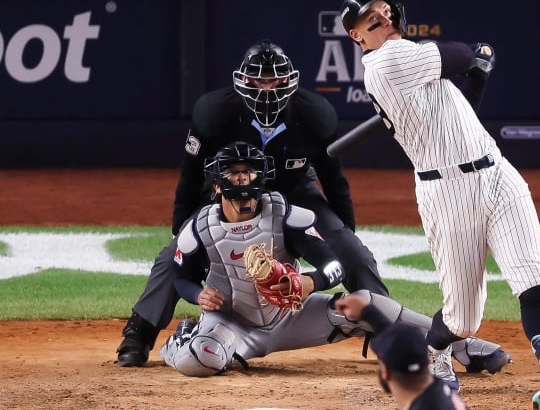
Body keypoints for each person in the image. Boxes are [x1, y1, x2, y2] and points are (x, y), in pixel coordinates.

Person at [117, 39, 511, 378]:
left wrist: (343, 231)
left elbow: (332, 177)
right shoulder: (213, 113)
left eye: (273, 80)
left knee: (350, 251)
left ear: (289, 82)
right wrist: (180, 227)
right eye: (257, 80)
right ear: (242, 81)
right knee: (173, 256)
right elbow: (190, 175)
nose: (266, 88)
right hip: (229, 190)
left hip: (294, 191)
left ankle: (385, 335)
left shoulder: (315, 115)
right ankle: (140, 333)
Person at [339, 0, 540, 409]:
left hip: (497, 174)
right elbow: (457, 53)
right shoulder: (386, 60)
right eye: (373, 21)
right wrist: (476, 54)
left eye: (387, 13)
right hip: (446, 193)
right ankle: (434, 349)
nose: (385, 22)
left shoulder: (411, 62)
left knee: (532, 279)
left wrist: (477, 75)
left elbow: (460, 117)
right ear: (358, 37)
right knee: (462, 319)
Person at [159, 141, 498, 383]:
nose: (243, 179)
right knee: (202, 360)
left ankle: (460, 345)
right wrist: (197, 295)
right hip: (232, 324)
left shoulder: (285, 216)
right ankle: (179, 342)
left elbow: (333, 264)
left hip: (289, 318)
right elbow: (180, 275)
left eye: (249, 173)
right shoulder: (201, 227)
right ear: (218, 184)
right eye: (235, 174)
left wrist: (310, 282)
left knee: (365, 303)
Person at [335, 294, 468, 410]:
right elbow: (402, 342)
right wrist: (367, 313)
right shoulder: (437, 390)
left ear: (386, 372)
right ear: (427, 361)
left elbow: (401, 343)